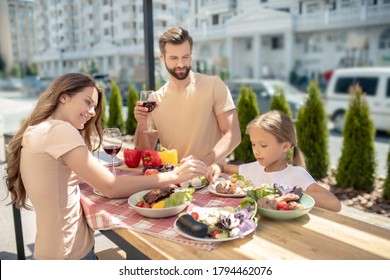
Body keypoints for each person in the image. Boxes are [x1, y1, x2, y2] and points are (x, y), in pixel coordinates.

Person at [4, 73, 207, 260]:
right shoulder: (60, 130)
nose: (92, 112)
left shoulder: (36, 129)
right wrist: (176, 176)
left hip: (52, 251)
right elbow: (111, 187)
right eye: (87, 102)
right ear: (63, 97)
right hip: (72, 256)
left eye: (94, 106)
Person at [134, 26, 241, 166]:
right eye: (173, 58)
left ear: (192, 55)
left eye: (186, 57)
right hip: (174, 180)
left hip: (210, 177)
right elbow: (144, 154)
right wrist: (142, 123)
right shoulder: (155, 100)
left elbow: (233, 135)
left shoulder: (214, 85)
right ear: (162, 57)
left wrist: (203, 163)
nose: (181, 64)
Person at [209, 110, 341, 212]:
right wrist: (217, 167)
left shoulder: (296, 174)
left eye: (263, 145)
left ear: (285, 146)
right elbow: (225, 168)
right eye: (254, 144)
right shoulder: (254, 168)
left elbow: (334, 204)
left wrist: (287, 194)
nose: (256, 151)